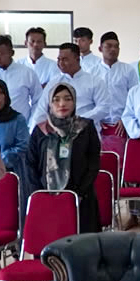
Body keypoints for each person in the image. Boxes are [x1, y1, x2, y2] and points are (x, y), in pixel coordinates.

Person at [24, 83, 101, 232]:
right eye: (56, 99)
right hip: (47, 197)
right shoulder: (40, 131)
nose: (62, 104)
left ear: (75, 102)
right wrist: (40, 194)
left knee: (83, 245)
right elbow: (30, 164)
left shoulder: (85, 127)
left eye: (67, 99)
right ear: (50, 104)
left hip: (81, 197)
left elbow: (93, 162)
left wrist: (79, 192)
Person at [28, 43, 110, 128]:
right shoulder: (54, 83)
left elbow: (104, 107)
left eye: (65, 59)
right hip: (59, 133)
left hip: (87, 131)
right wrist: (33, 133)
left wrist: (80, 120)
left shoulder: (95, 81)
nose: (60, 63)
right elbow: (41, 110)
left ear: (77, 59)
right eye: (59, 59)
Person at [89, 31, 136, 130]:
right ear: (100, 48)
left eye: (116, 46)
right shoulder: (92, 72)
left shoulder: (128, 70)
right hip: (98, 124)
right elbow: (89, 99)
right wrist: (96, 118)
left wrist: (125, 119)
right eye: (109, 46)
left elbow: (134, 98)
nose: (113, 49)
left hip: (123, 124)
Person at [0, 35, 41, 118]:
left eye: (1, 54)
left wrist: (32, 124)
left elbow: (38, 100)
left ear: (12, 53)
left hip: (22, 125)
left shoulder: (27, 73)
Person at [0, 79, 30, 174]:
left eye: (0, 93)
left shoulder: (17, 119)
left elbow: (23, 146)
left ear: (6, 96)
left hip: (11, 173)